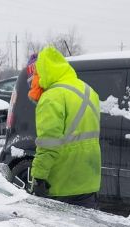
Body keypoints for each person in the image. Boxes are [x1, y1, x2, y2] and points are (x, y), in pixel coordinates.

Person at [27, 46, 102, 208]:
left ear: (42, 72)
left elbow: (48, 145)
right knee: (85, 225)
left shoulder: (51, 97)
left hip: (63, 183)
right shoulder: (88, 90)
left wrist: (38, 178)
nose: (33, 83)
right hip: (89, 181)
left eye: (34, 77)